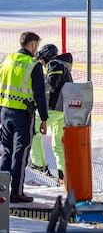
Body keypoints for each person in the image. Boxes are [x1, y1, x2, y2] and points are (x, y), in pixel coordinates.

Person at [0, 31, 48, 203]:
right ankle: (16, 192)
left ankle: (1, 191)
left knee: (6, 151)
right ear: (33, 44)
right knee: (20, 152)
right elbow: (40, 95)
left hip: (5, 111)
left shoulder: (7, 60)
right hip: (23, 114)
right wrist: (44, 118)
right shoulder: (33, 64)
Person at [29, 44, 73, 184]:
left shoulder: (54, 64)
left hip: (54, 107)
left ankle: (38, 163)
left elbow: (52, 84)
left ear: (46, 56)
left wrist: (35, 87)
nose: (41, 63)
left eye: (41, 60)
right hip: (64, 109)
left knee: (33, 129)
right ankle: (63, 175)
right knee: (58, 143)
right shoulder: (63, 65)